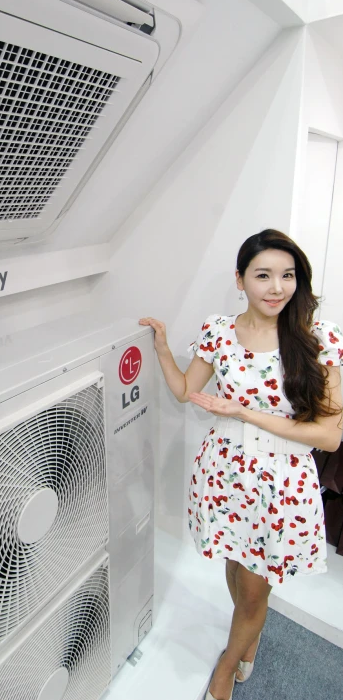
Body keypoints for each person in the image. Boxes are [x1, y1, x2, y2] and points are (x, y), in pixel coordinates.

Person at [139, 229, 343, 700]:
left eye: (288, 275)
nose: (277, 287)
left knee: (255, 589)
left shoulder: (318, 338)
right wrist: (165, 348)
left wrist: (246, 412)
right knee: (234, 565)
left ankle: (228, 665)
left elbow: (329, 433)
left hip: (282, 482)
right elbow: (187, 393)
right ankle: (247, 639)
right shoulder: (218, 331)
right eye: (263, 275)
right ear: (240, 279)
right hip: (224, 471)